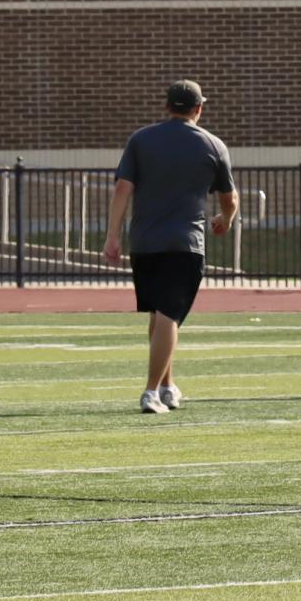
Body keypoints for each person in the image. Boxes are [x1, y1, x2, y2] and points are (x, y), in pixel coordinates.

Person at [101, 78, 238, 414]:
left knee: (160, 314)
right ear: (198, 108)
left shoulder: (142, 139)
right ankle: (150, 391)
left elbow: (122, 189)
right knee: (169, 315)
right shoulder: (212, 145)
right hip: (184, 242)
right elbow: (229, 197)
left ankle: (166, 386)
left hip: (145, 241)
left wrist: (112, 235)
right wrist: (225, 219)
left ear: (166, 106)